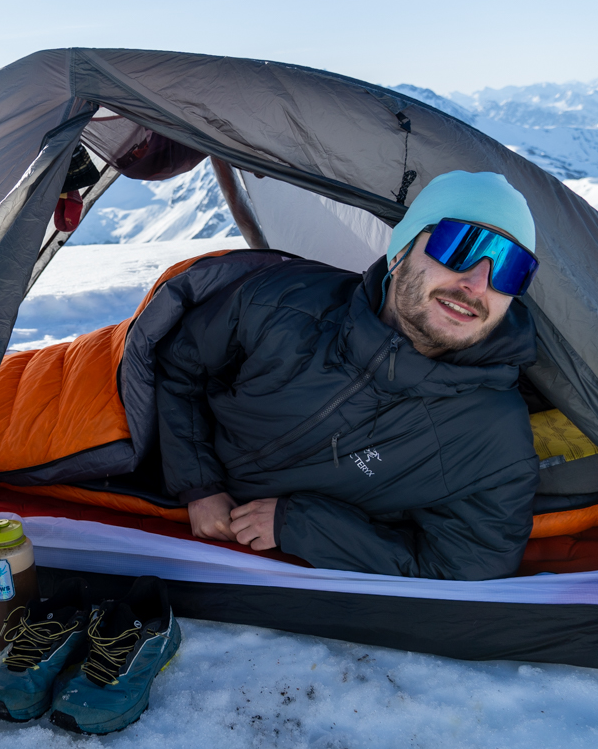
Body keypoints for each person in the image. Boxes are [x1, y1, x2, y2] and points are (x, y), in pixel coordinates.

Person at [154, 170, 542, 580]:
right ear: (400, 251)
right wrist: (199, 485)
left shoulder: (493, 438)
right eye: (460, 246)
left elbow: (467, 568)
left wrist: (301, 526)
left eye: (511, 268)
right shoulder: (283, 302)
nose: (478, 284)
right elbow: (180, 363)